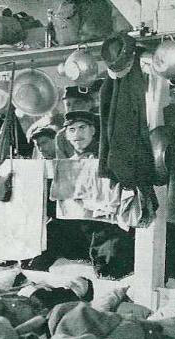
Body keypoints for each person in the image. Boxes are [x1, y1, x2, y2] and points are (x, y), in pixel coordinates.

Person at [26, 112, 134, 278]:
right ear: (67, 136)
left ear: (93, 131)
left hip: (103, 225)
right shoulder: (63, 166)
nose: (77, 134)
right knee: (38, 251)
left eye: (82, 128)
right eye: (72, 130)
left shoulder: (108, 160)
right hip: (73, 225)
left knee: (112, 263)